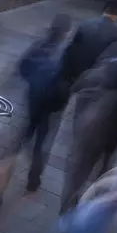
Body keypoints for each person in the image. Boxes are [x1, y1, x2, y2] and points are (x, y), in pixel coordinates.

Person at [59, 58, 117, 214]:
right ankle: (94, 204)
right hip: (106, 143)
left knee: (75, 176)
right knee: (103, 172)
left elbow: (74, 88)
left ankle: (66, 209)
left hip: (82, 135)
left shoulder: (91, 78)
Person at [13, 14, 72, 192]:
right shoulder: (67, 53)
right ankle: (33, 179)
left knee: (24, 134)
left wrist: (32, 81)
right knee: (42, 142)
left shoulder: (40, 45)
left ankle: (5, 168)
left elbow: (22, 66)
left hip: (34, 99)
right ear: (66, 32)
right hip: (50, 106)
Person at [59, 0, 117, 86]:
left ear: (104, 10)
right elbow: (111, 63)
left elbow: (72, 47)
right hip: (90, 80)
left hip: (71, 72)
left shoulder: (86, 24)